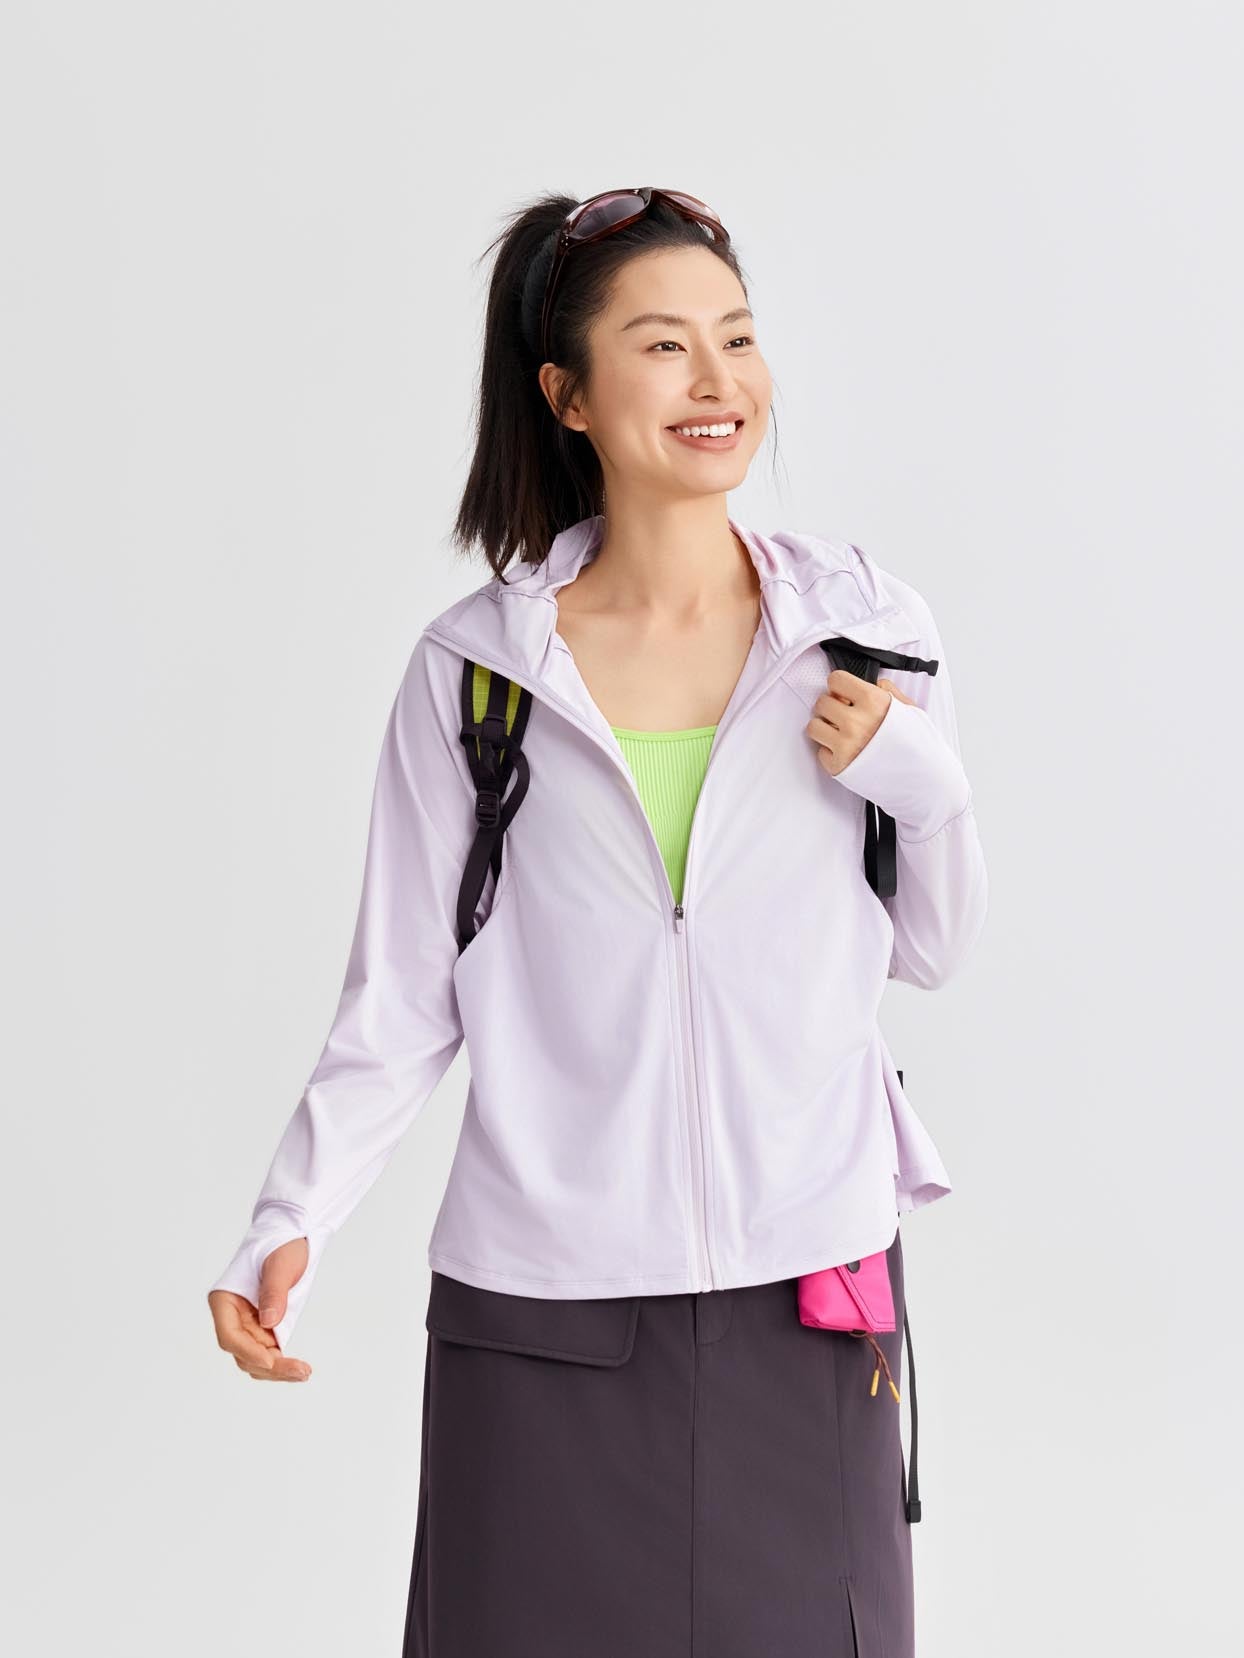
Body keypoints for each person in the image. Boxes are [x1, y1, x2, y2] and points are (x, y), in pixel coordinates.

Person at [207, 187, 988, 1658]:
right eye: (665, 345)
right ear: (567, 396)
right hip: (543, 1314)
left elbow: (934, 947)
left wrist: (921, 780)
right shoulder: (477, 676)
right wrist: (287, 1220)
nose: (717, 380)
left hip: (807, 1292)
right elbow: (401, 998)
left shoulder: (867, 631)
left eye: (737, 338)